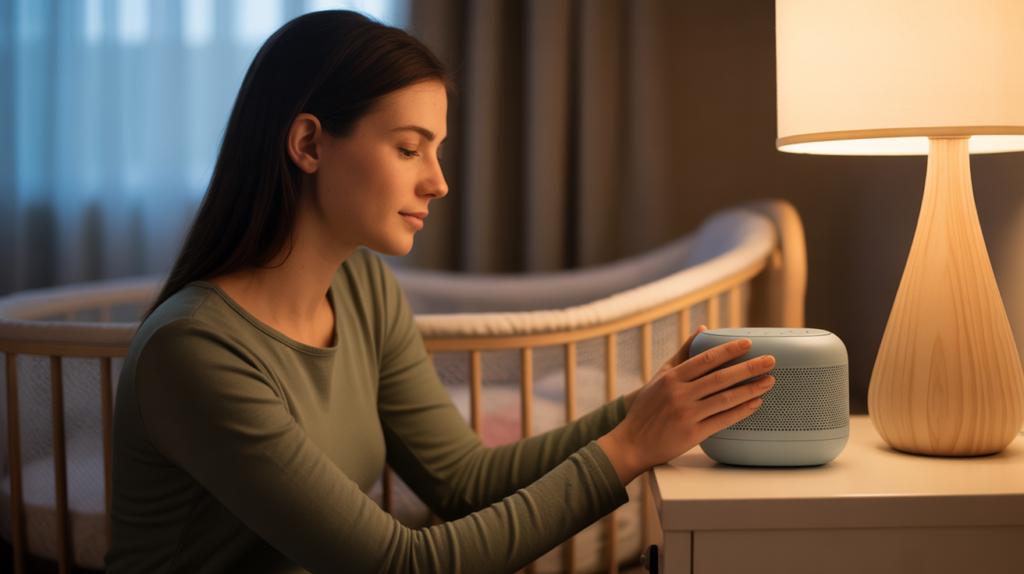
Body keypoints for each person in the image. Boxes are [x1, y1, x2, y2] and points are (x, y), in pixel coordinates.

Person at [105, 10, 775, 574]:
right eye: (408, 148)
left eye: (438, 150)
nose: (438, 182)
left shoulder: (362, 286)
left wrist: (645, 407)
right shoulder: (194, 350)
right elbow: (400, 566)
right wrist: (627, 449)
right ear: (309, 143)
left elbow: (462, 482)